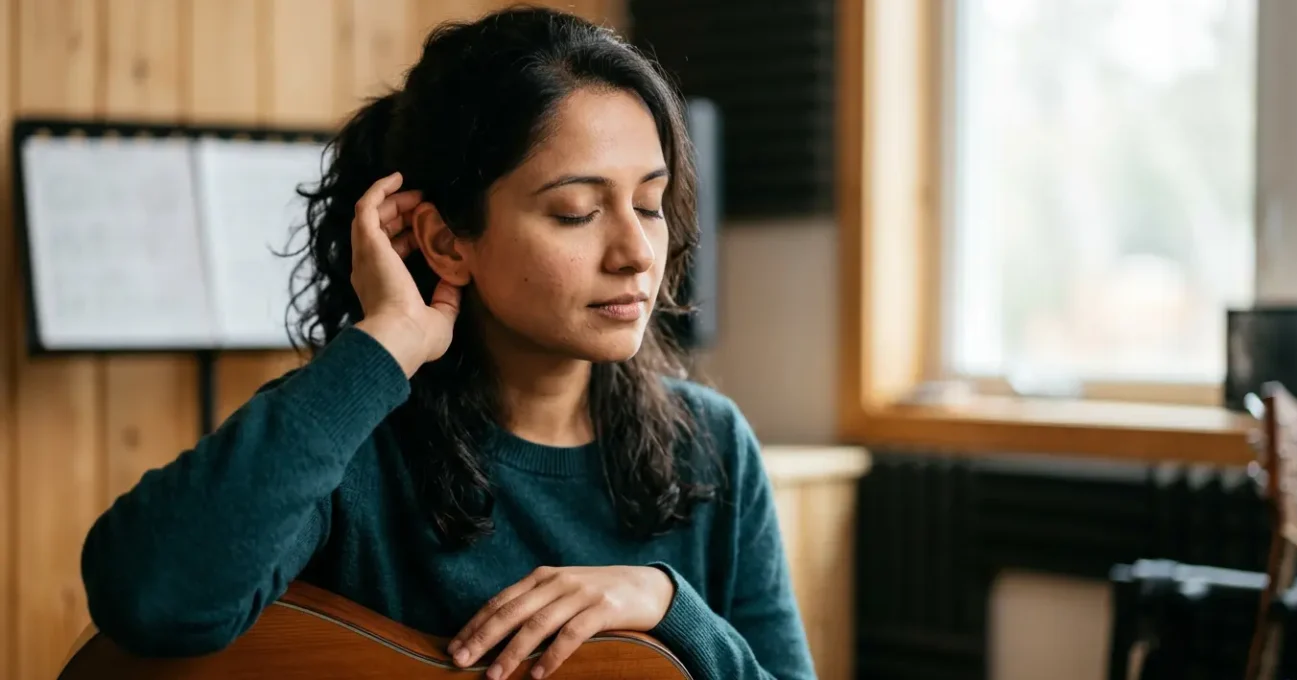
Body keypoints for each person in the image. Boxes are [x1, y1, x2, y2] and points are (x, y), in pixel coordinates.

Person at [79, 7, 814, 680]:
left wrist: (669, 607)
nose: (636, 252)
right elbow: (150, 598)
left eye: (649, 204)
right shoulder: (351, 448)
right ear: (446, 240)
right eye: (577, 211)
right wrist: (387, 341)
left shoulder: (712, 445)